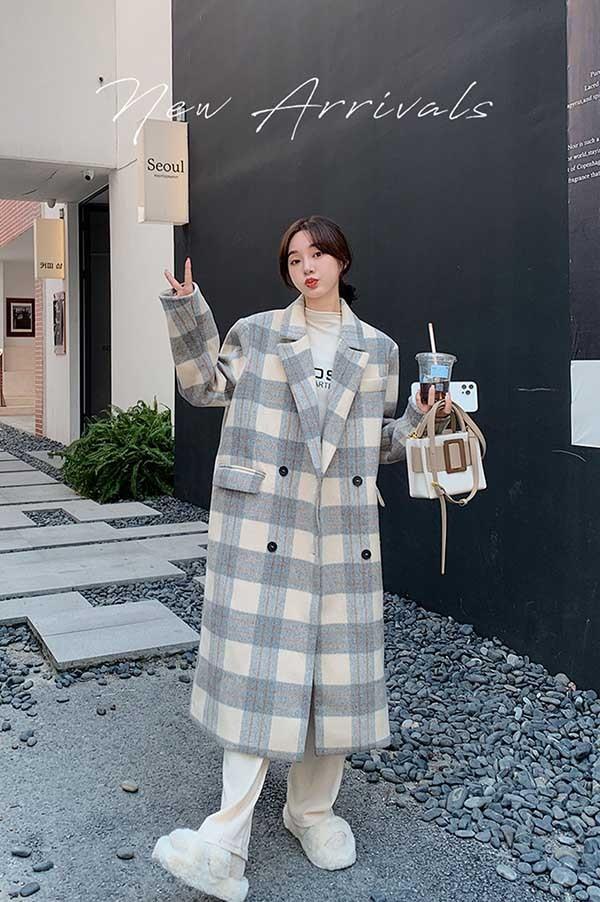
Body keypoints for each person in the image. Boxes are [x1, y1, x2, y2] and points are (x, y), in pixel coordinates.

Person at [152, 216, 452, 901]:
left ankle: (311, 813)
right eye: (294, 258)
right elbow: (204, 386)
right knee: (259, 677)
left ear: (342, 260)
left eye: (317, 254)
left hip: (340, 529)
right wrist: (187, 311)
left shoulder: (378, 349)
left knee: (331, 680)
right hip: (267, 524)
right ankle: (225, 838)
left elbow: (376, 442)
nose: (306, 267)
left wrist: (418, 417)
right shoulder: (258, 332)